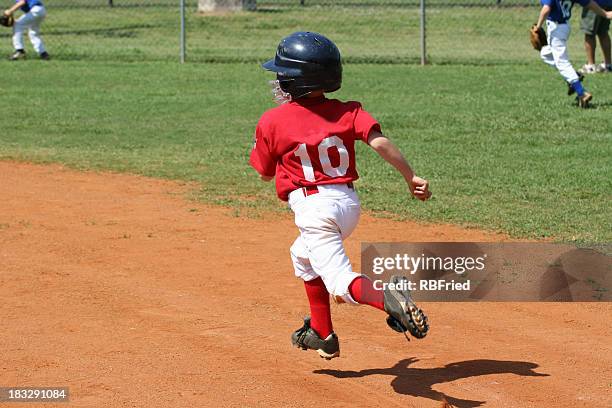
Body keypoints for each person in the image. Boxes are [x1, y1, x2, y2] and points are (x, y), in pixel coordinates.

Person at [249, 31, 430, 360]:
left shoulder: (272, 121)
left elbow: (263, 172)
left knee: (338, 281)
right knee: (302, 257)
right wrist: (410, 176)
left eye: (282, 75)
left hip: (315, 210)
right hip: (348, 205)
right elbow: (380, 142)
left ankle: (388, 297)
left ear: (292, 82)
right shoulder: (347, 111)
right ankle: (322, 334)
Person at [535, 0, 612, 108]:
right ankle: (573, 74)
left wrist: (538, 27)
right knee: (546, 54)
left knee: (562, 62)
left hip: (556, 28)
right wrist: (605, 14)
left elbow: (546, 9)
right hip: (564, 27)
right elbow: (589, 3)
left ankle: (582, 92)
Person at [579, 0, 612, 73]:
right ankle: (608, 64)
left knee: (589, 34)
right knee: (603, 33)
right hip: (608, 3)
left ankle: (591, 66)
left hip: (594, 3)